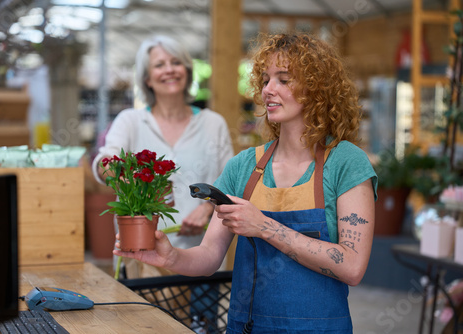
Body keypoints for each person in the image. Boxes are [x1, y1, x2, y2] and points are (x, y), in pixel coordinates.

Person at [114, 32, 377, 334]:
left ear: (316, 88)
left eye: (284, 79)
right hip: (247, 327)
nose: (268, 90)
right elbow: (210, 256)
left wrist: (263, 226)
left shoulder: (346, 162)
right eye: (265, 79)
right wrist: (170, 256)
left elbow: (352, 267)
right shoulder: (243, 167)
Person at [92, 35, 234, 278]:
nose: (169, 70)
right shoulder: (131, 121)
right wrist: (121, 177)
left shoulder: (213, 123)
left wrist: (209, 208)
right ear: (146, 78)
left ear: (188, 71)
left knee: (198, 317)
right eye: (159, 65)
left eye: (176, 62)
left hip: (201, 258)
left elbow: (231, 183)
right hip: (144, 258)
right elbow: (103, 163)